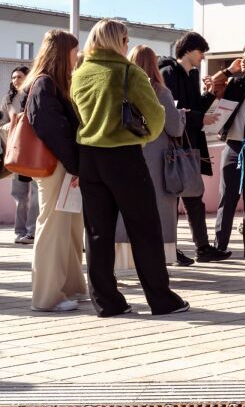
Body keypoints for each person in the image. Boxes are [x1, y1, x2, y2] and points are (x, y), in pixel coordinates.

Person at [72, 19, 189, 317]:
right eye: (126, 39)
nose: (128, 45)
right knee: (144, 228)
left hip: (89, 158)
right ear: (119, 41)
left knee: (97, 232)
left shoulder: (80, 73)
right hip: (123, 156)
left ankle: (106, 302)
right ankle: (161, 299)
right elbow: (157, 118)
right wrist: (144, 137)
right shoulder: (129, 72)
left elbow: (76, 116)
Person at [24, 31, 86, 312]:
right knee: (53, 228)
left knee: (69, 228)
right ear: (62, 52)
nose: (77, 55)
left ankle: (71, 287)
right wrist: (75, 165)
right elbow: (52, 129)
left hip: (63, 165)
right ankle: (47, 297)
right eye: (74, 50)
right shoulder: (45, 83)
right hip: (56, 166)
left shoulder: (52, 83)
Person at [114, 46, 188, 273]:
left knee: (126, 207)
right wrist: (182, 115)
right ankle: (156, 259)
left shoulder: (120, 88)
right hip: (157, 159)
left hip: (126, 154)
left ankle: (123, 258)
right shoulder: (160, 92)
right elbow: (174, 128)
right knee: (159, 209)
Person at [159, 31, 228, 264]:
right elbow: (172, 111)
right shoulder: (168, 73)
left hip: (190, 145)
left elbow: (195, 107)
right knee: (173, 200)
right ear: (188, 50)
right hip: (174, 146)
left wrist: (209, 94)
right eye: (201, 52)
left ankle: (202, 247)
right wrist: (199, 117)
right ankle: (171, 248)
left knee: (194, 197)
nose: (203, 57)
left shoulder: (192, 74)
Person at [213, 44, 245, 258]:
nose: (244, 61)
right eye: (242, 57)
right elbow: (213, 86)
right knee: (227, 196)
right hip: (233, 145)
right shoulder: (236, 82)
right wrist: (228, 71)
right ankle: (219, 246)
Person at [3, 65, 39, 244]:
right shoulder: (7, 99)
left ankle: (32, 231)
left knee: (36, 193)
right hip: (16, 152)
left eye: (19, 77)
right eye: (13, 77)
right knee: (19, 194)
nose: (15, 80)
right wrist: (10, 126)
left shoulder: (35, 94)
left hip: (33, 152)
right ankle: (20, 231)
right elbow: (2, 124)